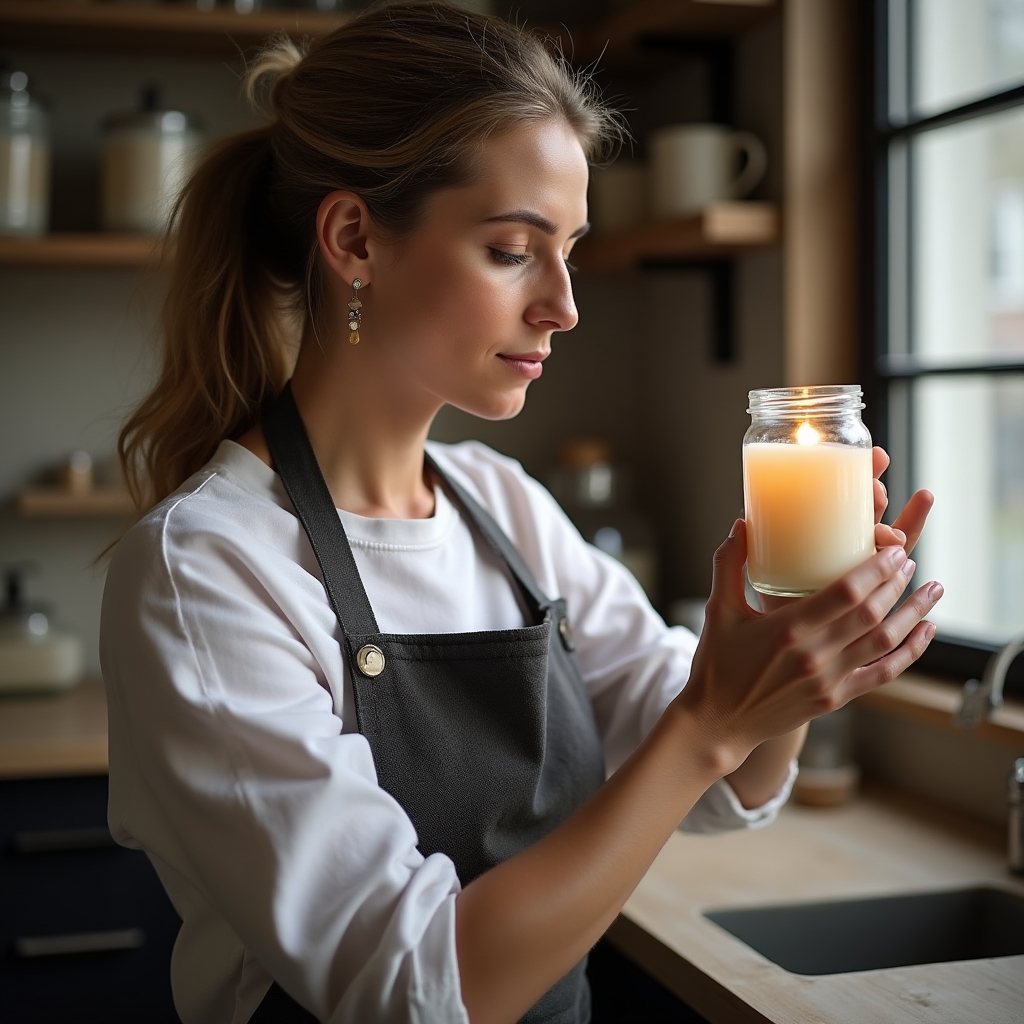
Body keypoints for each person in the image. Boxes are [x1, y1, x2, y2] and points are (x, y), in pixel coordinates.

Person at [99, 4, 941, 1023]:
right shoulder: (206, 568)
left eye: (571, 250)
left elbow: (711, 786)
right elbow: (408, 990)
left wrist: (787, 656)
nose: (564, 304)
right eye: (512, 250)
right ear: (355, 237)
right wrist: (712, 723)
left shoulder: (502, 507)